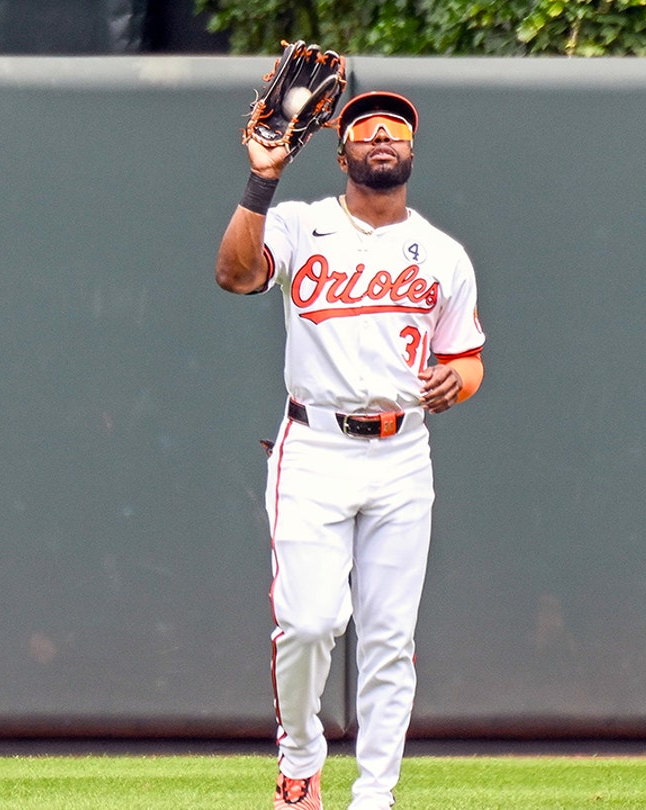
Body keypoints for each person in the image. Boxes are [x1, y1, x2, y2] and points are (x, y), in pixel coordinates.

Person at [215, 90, 486, 810]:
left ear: (411, 153)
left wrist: (455, 381)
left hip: (402, 454)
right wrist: (262, 178)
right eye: (365, 128)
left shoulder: (444, 255)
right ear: (343, 155)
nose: (380, 136)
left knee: (389, 640)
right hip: (316, 447)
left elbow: (468, 358)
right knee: (308, 624)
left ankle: (375, 795)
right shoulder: (302, 226)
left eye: (394, 129)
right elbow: (236, 275)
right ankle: (300, 759)